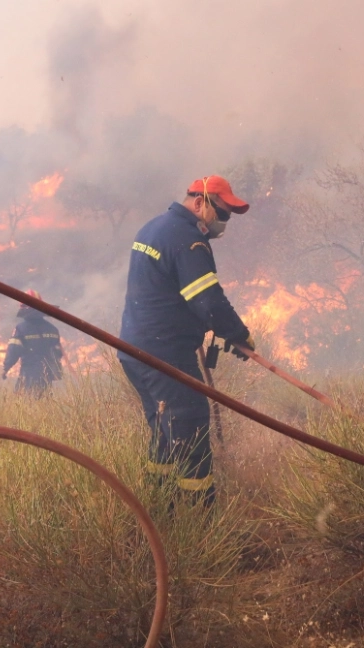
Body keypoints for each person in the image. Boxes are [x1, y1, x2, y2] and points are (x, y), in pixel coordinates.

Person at [117, 175, 255, 507]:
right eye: (222, 213)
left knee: (165, 430)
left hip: (135, 350)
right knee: (190, 426)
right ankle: (198, 520)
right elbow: (207, 299)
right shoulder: (188, 239)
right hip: (165, 354)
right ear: (199, 202)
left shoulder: (153, 228)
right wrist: (239, 335)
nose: (224, 222)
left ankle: (159, 508)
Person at [1, 289, 64, 396]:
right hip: (47, 375)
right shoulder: (52, 329)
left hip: (29, 373)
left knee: (22, 404)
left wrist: (6, 368)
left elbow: (13, 351)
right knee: (44, 403)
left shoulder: (21, 329)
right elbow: (58, 353)